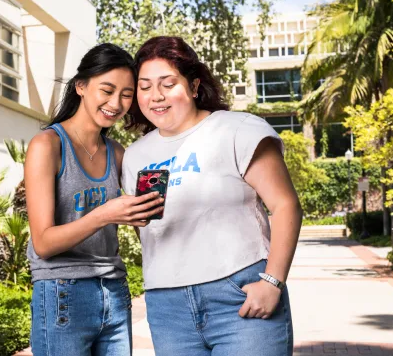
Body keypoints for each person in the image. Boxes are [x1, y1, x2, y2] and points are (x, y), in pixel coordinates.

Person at [121, 36, 302, 356]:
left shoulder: (239, 129)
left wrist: (272, 283)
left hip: (239, 292)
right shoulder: (135, 156)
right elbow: (146, 228)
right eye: (145, 86)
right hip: (168, 307)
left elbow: (285, 205)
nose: (156, 96)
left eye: (168, 83)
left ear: (193, 86)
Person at [24, 43, 164, 356]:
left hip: (115, 292)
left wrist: (143, 214)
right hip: (62, 293)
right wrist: (105, 214)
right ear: (82, 86)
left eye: (126, 94)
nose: (116, 103)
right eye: (107, 89)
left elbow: (141, 226)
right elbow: (44, 243)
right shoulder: (47, 145)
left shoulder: (117, 154)